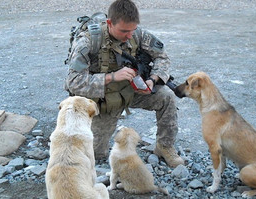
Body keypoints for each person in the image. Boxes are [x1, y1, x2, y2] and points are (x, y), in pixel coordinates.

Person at [64, 0, 184, 167]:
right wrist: (112, 77)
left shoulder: (136, 34)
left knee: (166, 97)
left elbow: (162, 56)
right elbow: (73, 82)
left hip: (131, 91)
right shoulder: (87, 41)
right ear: (109, 23)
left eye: (132, 30)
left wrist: (152, 80)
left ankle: (165, 146)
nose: (129, 36)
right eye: (124, 31)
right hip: (104, 99)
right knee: (95, 155)